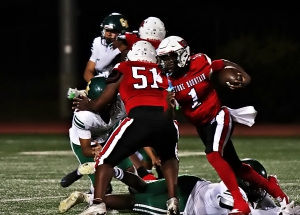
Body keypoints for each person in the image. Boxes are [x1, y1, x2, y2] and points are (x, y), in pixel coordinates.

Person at [156, 35, 289, 215]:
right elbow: (168, 116)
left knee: (213, 155)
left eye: (169, 58)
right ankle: (274, 189)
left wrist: (244, 75)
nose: (166, 63)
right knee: (236, 167)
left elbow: (222, 63)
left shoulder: (200, 62)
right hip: (202, 126)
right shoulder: (166, 80)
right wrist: (169, 105)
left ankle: (239, 202)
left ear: (182, 55)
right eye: (163, 59)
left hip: (218, 116)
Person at [73, 40, 180, 215]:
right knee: (169, 158)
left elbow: (102, 102)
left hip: (138, 119)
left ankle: (98, 203)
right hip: (166, 121)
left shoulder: (124, 66)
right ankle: (172, 199)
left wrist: (87, 104)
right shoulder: (161, 70)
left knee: (104, 160)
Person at [59, 76, 154, 213]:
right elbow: (86, 149)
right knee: (104, 189)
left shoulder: (121, 104)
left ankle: (87, 190)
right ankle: (86, 196)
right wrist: (98, 152)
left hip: (106, 137)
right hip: (84, 144)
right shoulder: (84, 116)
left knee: (130, 173)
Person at [73, 158, 300, 215]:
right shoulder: (232, 193)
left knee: (142, 187)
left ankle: (101, 182)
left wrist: (283, 207)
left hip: (193, 184)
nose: (261, 190)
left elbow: (272, 208)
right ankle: (95, 200)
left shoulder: (242, 189)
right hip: (186, 203)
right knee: (134, 201)